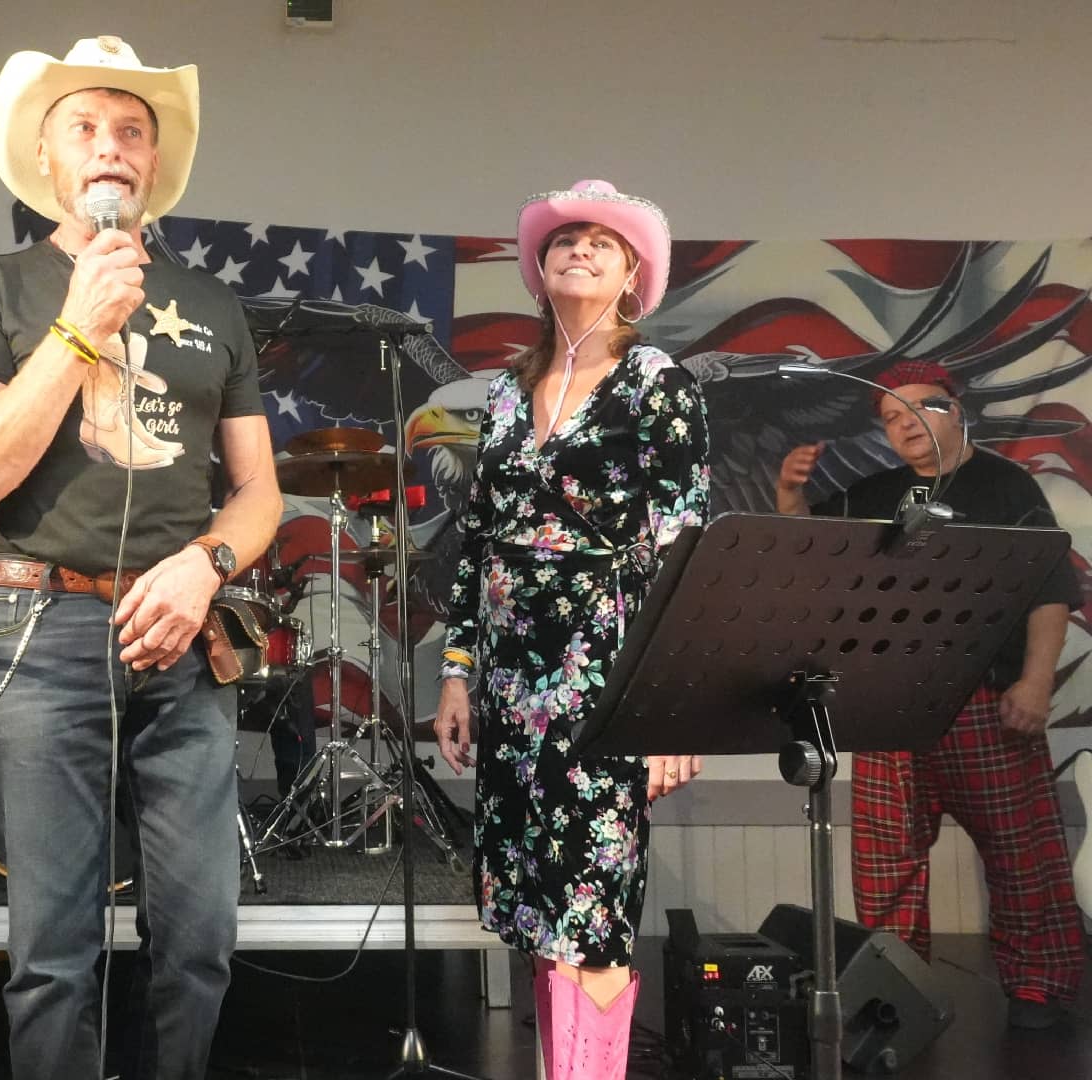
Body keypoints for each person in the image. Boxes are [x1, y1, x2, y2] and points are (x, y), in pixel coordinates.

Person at [0, 36, 280, 1080]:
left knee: (201, 939)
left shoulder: (213, 305)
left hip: (182, 627)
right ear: (48, 159)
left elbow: (261, 490)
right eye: (84, 126)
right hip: (43, 630)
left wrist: (206, 564)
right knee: (53, 952)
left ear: (152, 163)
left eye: (133, 130)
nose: (111, 146)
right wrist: (81, 329)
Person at [432, 180, 709, 1078]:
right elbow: (476, 546)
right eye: (563, 242)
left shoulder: (655, 381)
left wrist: (674, 709)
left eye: (602, 242)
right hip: (512, 683)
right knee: (538, 908)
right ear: (539, 272)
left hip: (607, 674)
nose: (578, 250)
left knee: (592, 912)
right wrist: (456, 673)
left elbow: (682, 546)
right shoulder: (510, 394)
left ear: (633, 273)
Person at [776, 360, 1084, 1029]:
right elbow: (811, 554)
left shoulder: (1006, 485)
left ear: (956, 408)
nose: (905, 425)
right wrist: (790, 496)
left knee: (1022, 854)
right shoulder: (874, 491)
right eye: (890, 417)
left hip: (985, 699)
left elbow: (1052, 588)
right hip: (892, 699)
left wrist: (1035, 681)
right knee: (885, 864)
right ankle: (894, 993)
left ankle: (1038, 988)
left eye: (920, 408)